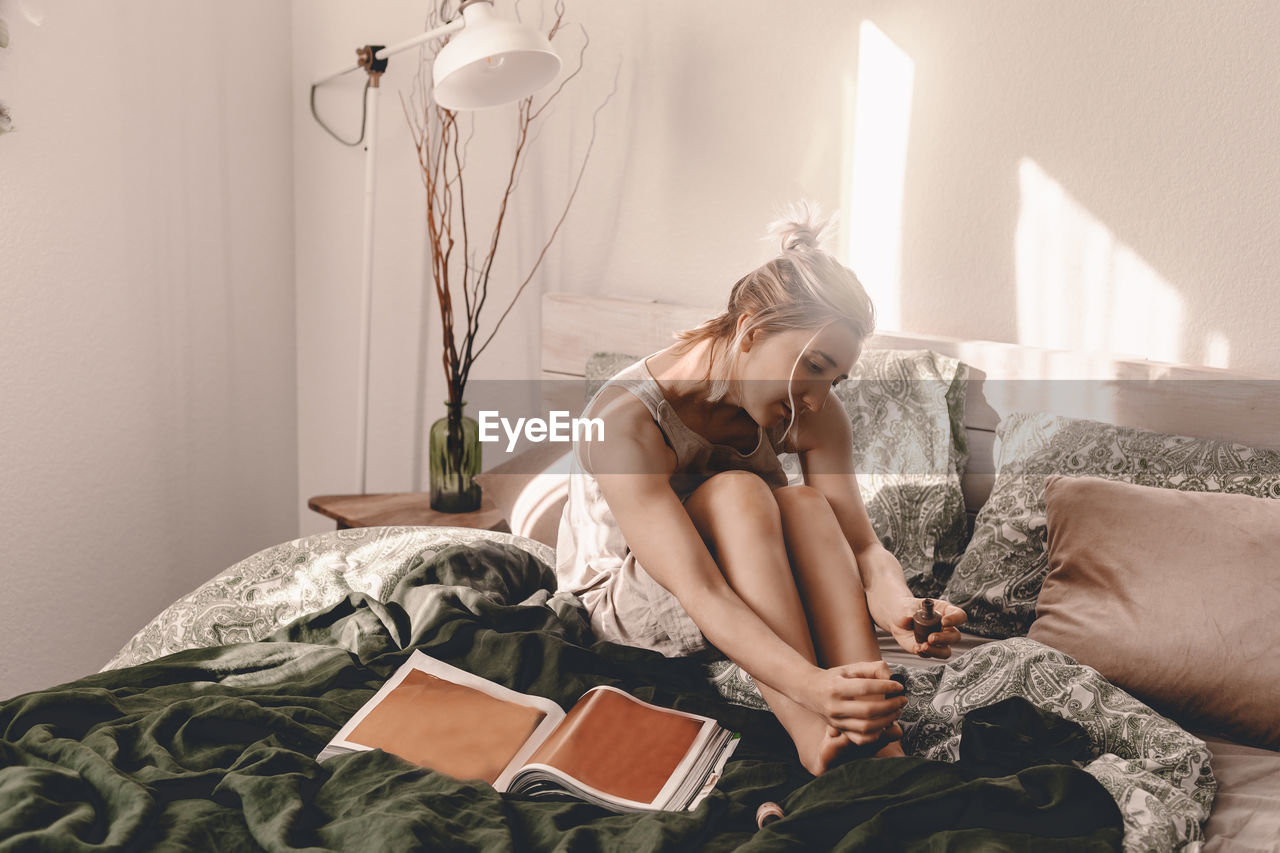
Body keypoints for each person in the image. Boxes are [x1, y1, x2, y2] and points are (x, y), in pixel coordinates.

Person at [555, 203, 967, 774]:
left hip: (734, 584)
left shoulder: (810, 407)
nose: (820, 399)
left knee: (802, 501)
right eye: (814, 366)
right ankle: (814, 731)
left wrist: (898, 606)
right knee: (739, 493)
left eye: (835, 378)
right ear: (750, 332)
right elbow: (701, 590)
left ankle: (872, 721)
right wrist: (811, 686)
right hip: (623, 609)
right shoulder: (629, 420)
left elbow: (862, 546)